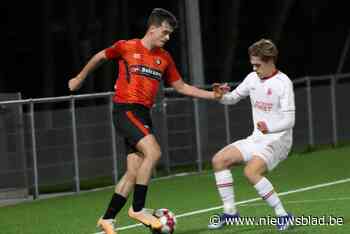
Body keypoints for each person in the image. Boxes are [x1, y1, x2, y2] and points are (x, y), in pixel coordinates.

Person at [68, 8, 224, 234]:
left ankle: (108, 219)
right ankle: (138, 209)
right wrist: (79, 78)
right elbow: (100, 56)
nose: (168, 37)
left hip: (143, 114)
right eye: (165, 32)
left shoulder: (165, 58)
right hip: (126, 110)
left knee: (134, 171)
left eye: (170, 34)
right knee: (154, 152)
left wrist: (213, 95)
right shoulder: (127, 46)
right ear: (152, 29)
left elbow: (181, 86)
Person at [208, 39, 295, 231]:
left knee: (251, 171)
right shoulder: (252, 78)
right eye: (252, 64)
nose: (255, 68)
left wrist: (269, 129)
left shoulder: (283, 83)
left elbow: (290, 121)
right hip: (257, 138)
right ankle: (230, 213)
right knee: (219, 160)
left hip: (279, 140)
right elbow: (233, 98)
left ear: (270, 60)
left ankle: (283, 215)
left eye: (258, 64)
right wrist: (221, 96)